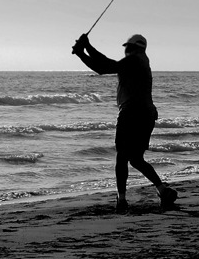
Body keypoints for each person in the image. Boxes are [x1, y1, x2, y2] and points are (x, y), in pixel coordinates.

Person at [72, 32, 178, 213]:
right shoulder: (141, 61)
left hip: (131, 113)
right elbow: (105, 64)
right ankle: (162, 190)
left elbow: (104, 67)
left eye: (127, 46)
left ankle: (121, 200)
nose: (126, 49)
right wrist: (85, 49)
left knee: (122, 156)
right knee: (136, 159)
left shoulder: (134, 60)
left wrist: (83, 51)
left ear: (134, 47)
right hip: (147, 114)